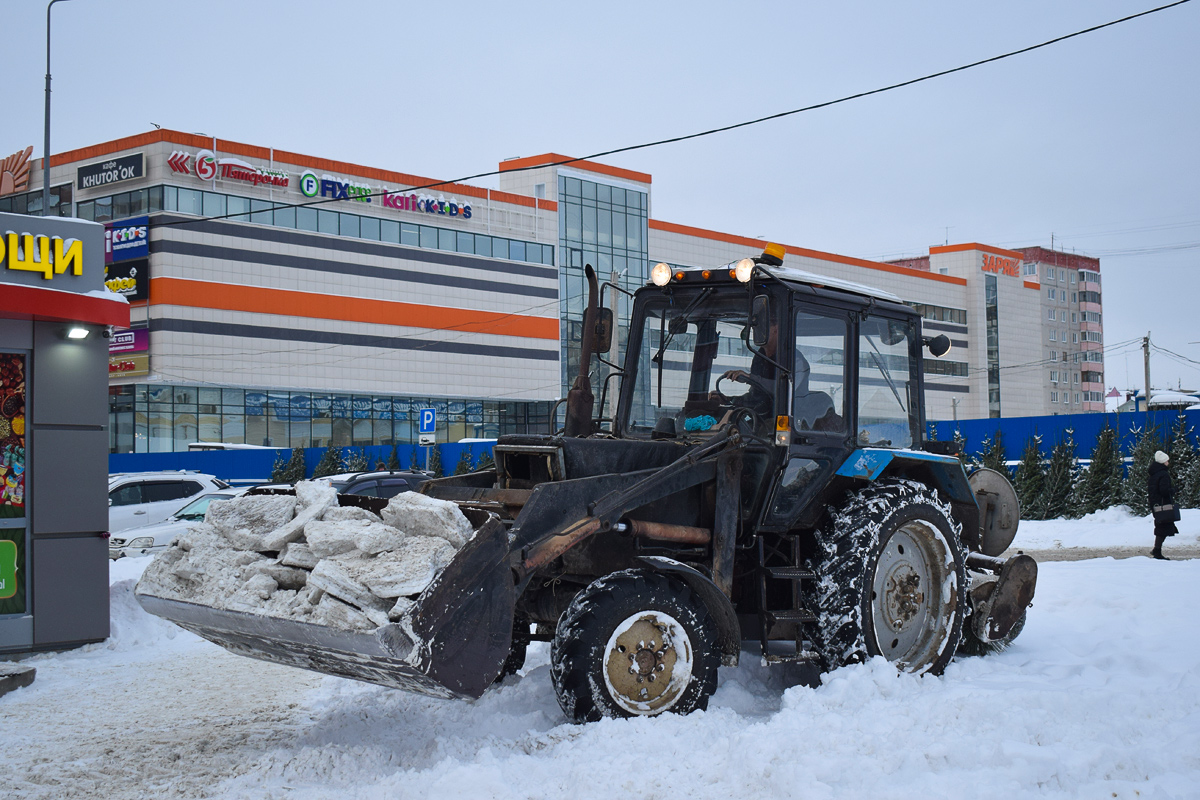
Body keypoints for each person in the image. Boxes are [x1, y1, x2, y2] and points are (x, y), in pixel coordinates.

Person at [1147, 450, 1177, 560]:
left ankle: (1157, 550)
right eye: (1167, 461)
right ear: (1163, 462)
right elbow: (1164, 491)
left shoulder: (1153, 474)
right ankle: (1157, 551)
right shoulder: (1163, 474)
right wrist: (1173, 490)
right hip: (1164, 505)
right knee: (1163, 527)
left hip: (1156, 504)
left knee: (1161, 526)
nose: (1168, 463)